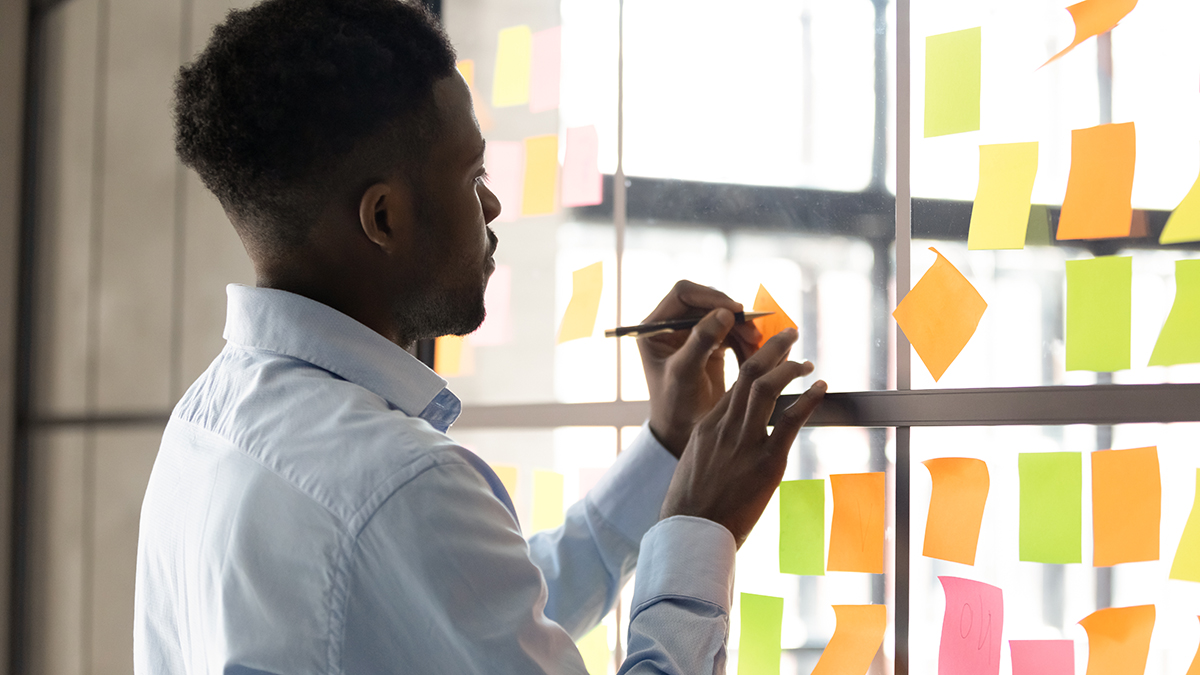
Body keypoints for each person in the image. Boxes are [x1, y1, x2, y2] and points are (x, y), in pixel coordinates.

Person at [132, 0, 827, 672]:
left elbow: (472, 620)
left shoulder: (204, 423)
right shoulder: (397, 481)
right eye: (473, 176)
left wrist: (667, 451)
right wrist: (699, 529)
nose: (493, 205)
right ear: (383, 218)